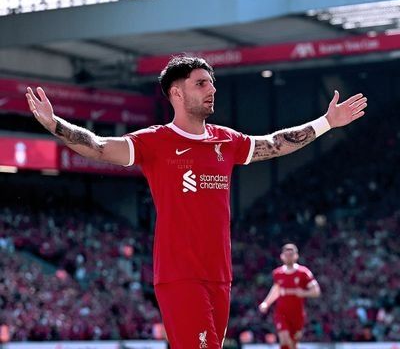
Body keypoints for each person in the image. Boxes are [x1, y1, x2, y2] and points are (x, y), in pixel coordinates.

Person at [26, 56, 367, 349]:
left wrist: (327, 122)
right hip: (180, 275)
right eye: (201, 83)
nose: (212, 89)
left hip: (219, 275)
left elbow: (275, 143)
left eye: (212, 83)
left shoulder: (227, 140)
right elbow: (99, 146)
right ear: (177, 93)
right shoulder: (155, 142)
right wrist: (55, 124)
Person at [259, 243, 321, 349]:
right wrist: (266, 303)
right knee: (284, 339)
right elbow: (276, 290)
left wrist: (303, 293)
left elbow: (316, 291)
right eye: (286, 255)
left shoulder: (303, 273)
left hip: (297, 315)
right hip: (281, 313)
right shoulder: (277, 273)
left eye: (291, 255)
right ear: (282, 256)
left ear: (296, 256)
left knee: (293, 344)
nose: (289, 257)